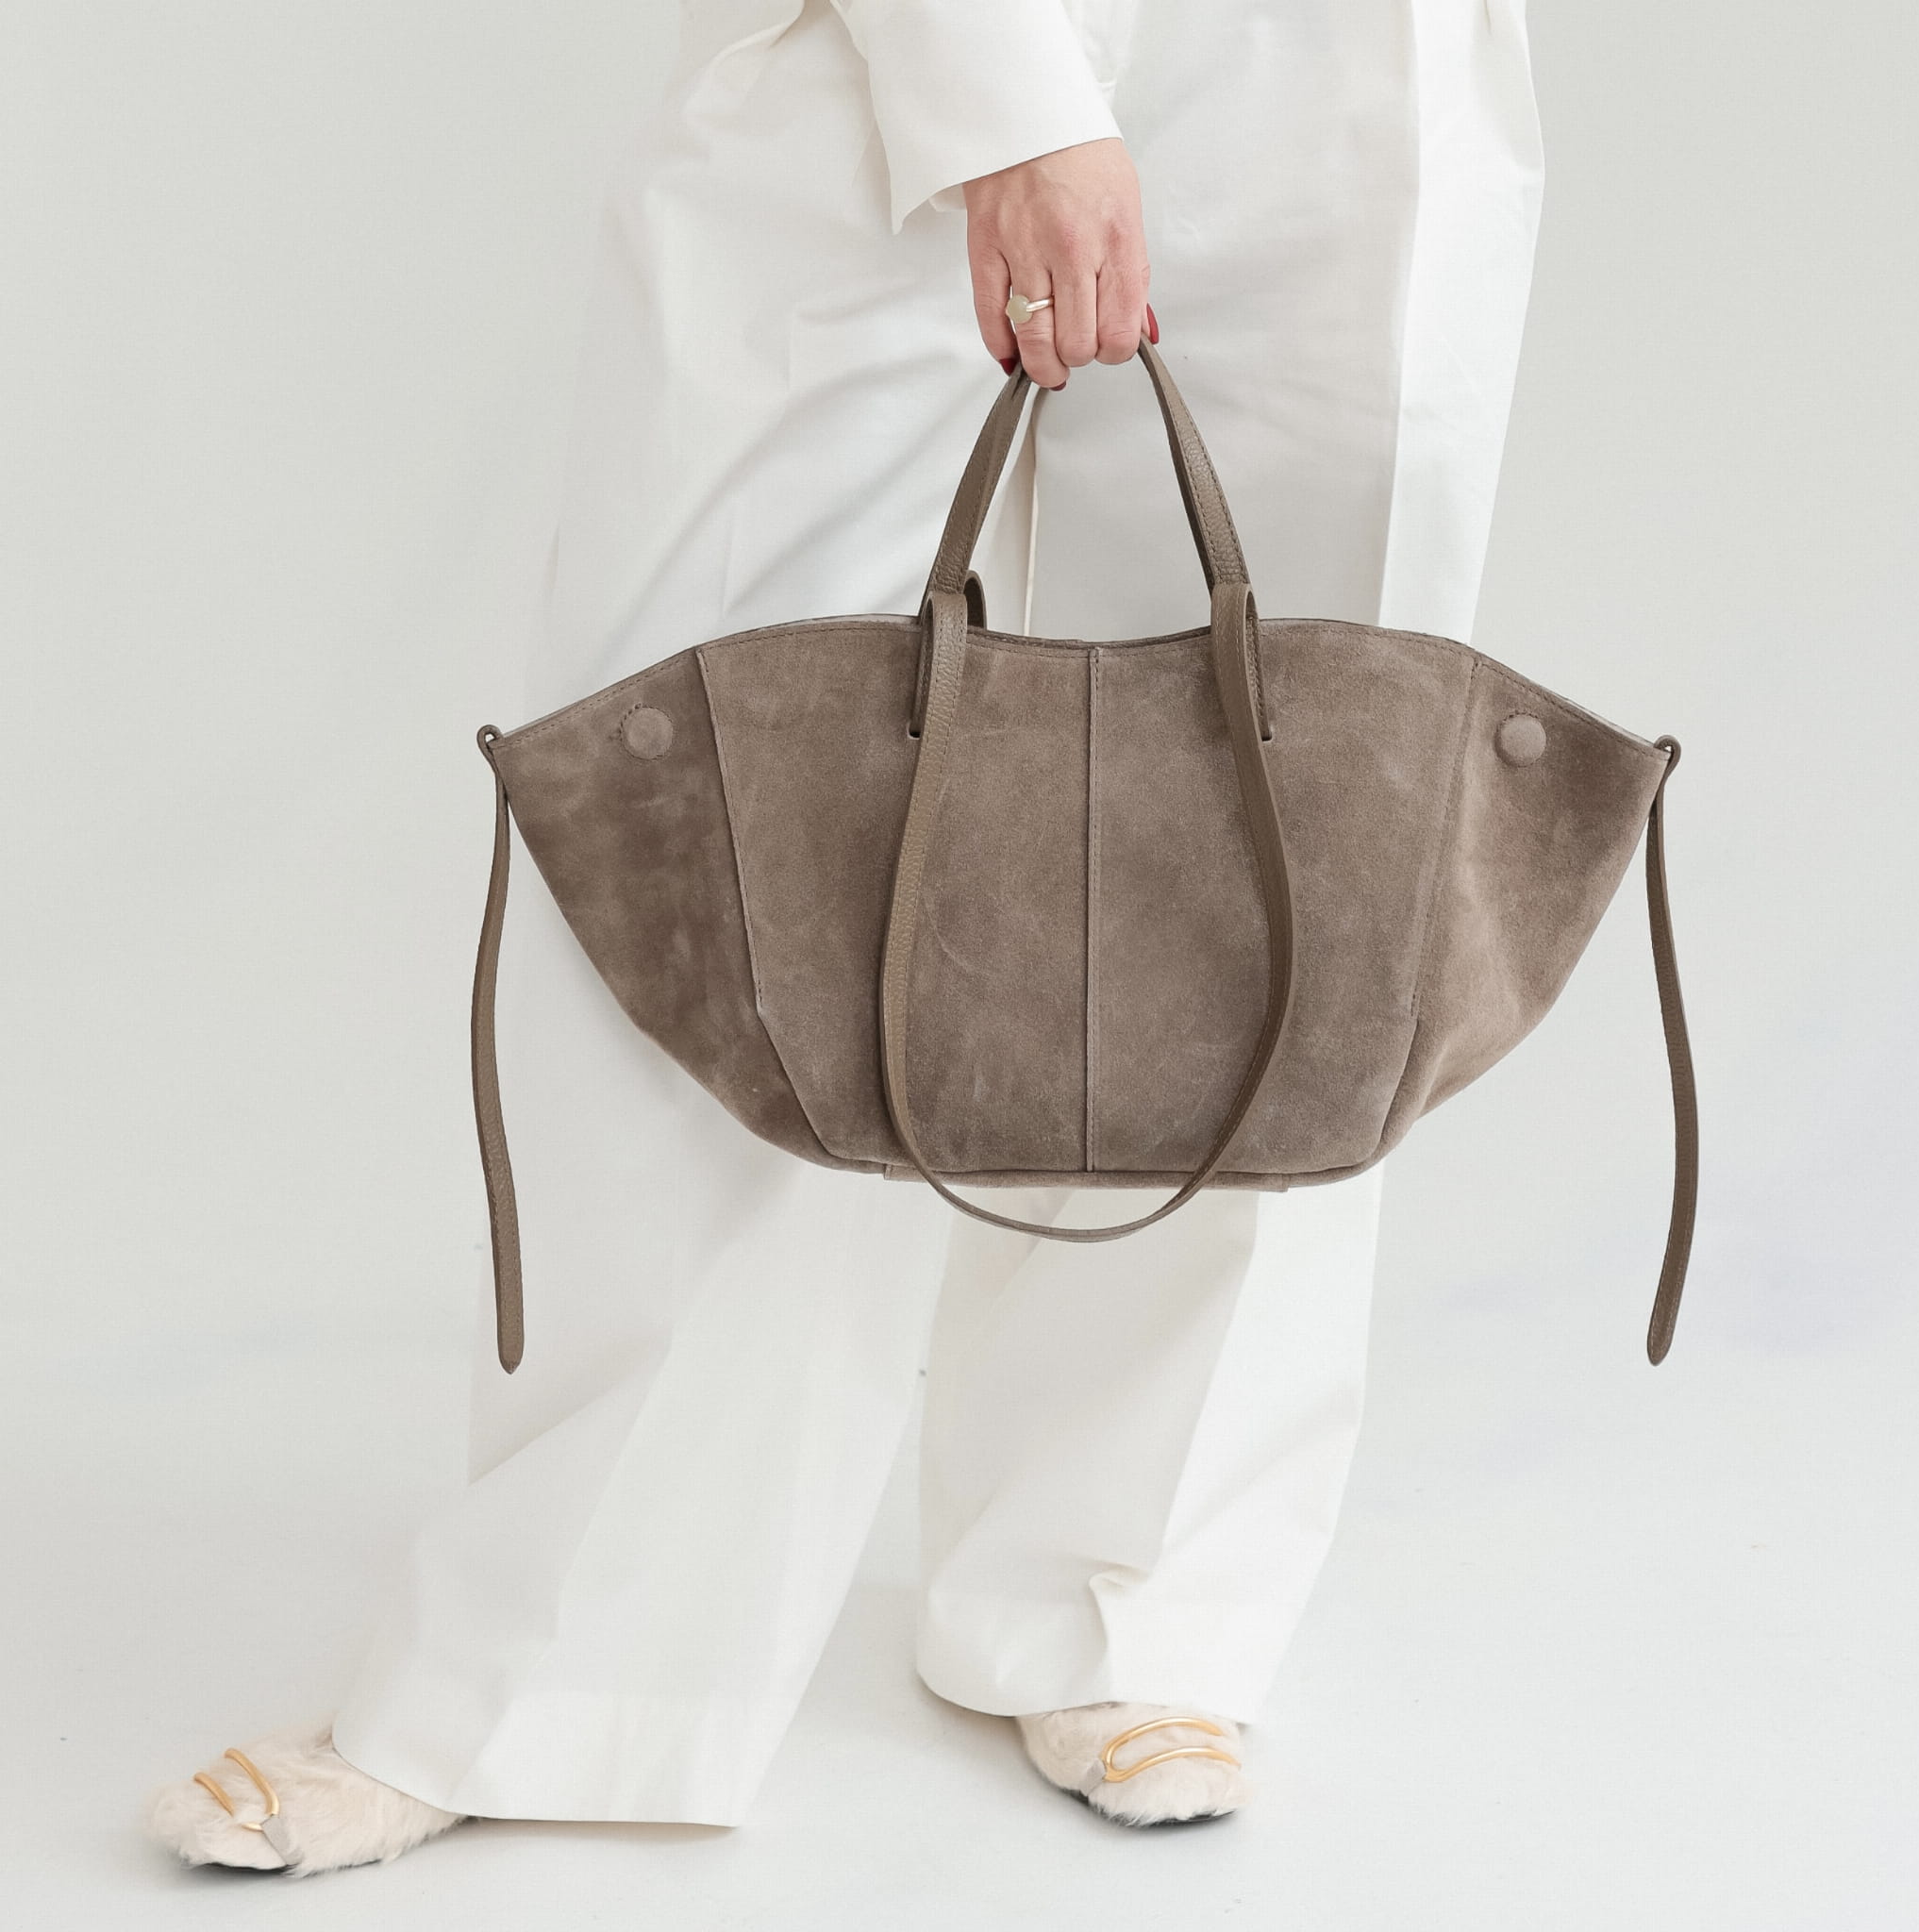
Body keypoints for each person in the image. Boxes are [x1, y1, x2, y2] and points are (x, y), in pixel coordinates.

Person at [148, 0, 1542, 1871]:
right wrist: (1008, 99)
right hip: (883, 58)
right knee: (730, 821)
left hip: (1350, 63)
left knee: (1259, 826)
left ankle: (1119, 1596)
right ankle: (561, 1665)